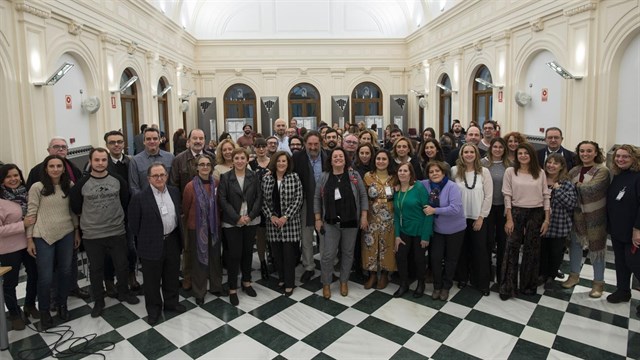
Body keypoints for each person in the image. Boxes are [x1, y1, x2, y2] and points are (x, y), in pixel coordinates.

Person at [69, 148, 140, 318]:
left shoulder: (118, 180)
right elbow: (76, 207)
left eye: (103, 160)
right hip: (93, 235)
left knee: (122, 265)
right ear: (90, 161)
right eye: (97, 160)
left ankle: (123, 292)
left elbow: (124, 201)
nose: (100, 163)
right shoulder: (81, 184)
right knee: (96, 269)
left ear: (107, 161)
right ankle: (99, 301)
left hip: (116, 231)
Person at [26, 155, 81, 330]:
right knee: (46, 277)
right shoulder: (37, 187)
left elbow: (72, 212)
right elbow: (31, 213)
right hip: (43, 235)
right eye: (52, 166)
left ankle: (62, 305)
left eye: (59, 166)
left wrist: (76, 231)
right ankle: (44, 311)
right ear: (46, 168)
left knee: (65, 271)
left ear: (64, 169)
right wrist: (29, 239)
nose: (56, 169)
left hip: (66, 232)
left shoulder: (69, 186)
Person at [128, 163, 184, 325]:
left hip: (172, 240)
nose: (159, 178)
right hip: (150, 243)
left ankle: (171, 303)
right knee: (152, 281)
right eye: (155, 176)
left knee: (172, 275)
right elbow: (134, 224)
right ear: (149, 179)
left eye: (162, 175)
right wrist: (148, 237)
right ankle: (154, 310)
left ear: (166, 176)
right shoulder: (139, 197)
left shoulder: (174, 191)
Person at [314, 147, 368, 299]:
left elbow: (363, 196)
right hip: (330, 223)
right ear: (330, 160)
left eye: (341, 156)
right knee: (328, 255)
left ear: (345, 159)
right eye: (335, 157)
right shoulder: (324, 176)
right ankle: (326, 283)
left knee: (348, 253)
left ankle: (344, 281)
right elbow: (317, 198)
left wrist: (364, 216)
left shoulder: (354, 175)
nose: (338, 158)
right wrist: (318, 219)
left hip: (350, 222)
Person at [500, 143, 550, 299]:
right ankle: (508, 287)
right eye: (519, 153)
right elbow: (507, 195)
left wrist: (547, 219)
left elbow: (546, 196)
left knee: (532, 250)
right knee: (511, 249)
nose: (522, 155)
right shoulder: (510, 171)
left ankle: (528, 286)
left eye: (525, 153)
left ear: (531, 155)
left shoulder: (540, 173)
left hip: (536, 212)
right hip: (516, 211)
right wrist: (509, 218)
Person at [562, 141, 609, 298]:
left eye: (589, 151)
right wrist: (575, 186)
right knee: (575, 245)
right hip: (576, 215)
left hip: (596, 217)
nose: (585, 154)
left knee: (597, 250)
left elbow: (593, 189)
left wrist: (575, 186)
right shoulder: (575, 170)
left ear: (596, 153)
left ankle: (598, 283)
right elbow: (566, 186)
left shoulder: (602, 171)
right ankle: (574, 276)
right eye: (582, 151)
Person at [218, 147, 262, 306]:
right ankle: (232, 288)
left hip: (250, 220)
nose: (239, 161)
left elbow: (259, 198)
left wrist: (250, 216)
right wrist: (237, 218)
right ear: (232, 160)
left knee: (248, 252)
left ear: (247, 159)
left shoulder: (254, 176)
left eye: (242, 158)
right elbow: (222, 200)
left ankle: (247, 282)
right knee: (234, 254)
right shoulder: (225, 177)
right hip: (232, 222)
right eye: (236, 158)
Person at [182, 155, 226, 305]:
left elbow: (220, 204)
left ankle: (216, 286)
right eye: (202, 164)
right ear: (196, 167)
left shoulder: (217, 183)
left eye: (208, 164)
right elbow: (186, 208)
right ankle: (199, 291)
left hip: (214, 228)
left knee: (215, 258)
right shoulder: (190, 186)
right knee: (199, 260)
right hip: (196, 228)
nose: (205, 167)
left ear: (212, 167)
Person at [0, 164, 38, 330]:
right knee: (11, 282)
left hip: (29, 243)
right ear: (2, 180)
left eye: (16, 175)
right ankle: (14, 313)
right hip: (9, 248)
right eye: (9, 177)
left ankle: (29, 305)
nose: (14, 179)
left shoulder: (27, 194)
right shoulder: (1, 201)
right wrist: (22, 224)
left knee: (35, 275)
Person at [451, 143, 492, 295]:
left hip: (478, 217)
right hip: (459, 218)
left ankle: (481, 282)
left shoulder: (484, 172)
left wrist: (481, 217)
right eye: (465, 152)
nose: (468, 154)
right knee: (461, 249)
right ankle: (462, 277)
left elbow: (488, 196)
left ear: (476, 154)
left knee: (480, 250)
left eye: (471, 152)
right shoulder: (454, 171)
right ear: (461, 155)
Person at [422, 161, 466, 301]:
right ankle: (437, 286)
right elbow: (411, 183)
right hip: (438, 229)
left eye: (437, 171)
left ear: (443, 172)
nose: (434, 173)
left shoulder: (452, 186)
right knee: (435, 258)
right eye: (431, 171)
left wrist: (434, 210)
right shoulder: (425, 184)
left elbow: (455, 208)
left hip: (455, 229)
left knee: (451, 259)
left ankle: (446, 287)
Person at [103, 130, 140, 295]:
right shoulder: (102, 163)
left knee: (130, 248)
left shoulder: (130, 162)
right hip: (108, 214)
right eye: (112, 142)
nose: (116, 145)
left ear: (124, 143)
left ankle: (130, 275)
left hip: (128, 211)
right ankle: (109, 280)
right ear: (107, 145)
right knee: (109, 249)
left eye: (119, 141)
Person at [261, 151, 303, 297]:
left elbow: (298, 199)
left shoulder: (294, 177)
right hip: (273, 224)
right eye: (278, 161)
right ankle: (281, 278)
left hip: (290, 224)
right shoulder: (267, 179)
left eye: (284, 161)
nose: (281, 164)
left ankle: (289, 283)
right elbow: (263, 201)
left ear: (288, 163)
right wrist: (271, 215)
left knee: (289, 255)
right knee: (277, 255)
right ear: (274, 162)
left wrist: (286, 216)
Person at [170, 129, 208, 291]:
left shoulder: (210, 158)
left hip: (208, 213)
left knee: (206, 244)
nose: (198, 141)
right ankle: (187, 276)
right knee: (188, 246)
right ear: (189, 141)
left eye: (201, 138)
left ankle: (204, 275)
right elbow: (173, 186)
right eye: (195, 138)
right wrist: (181, 211)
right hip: (188, 212)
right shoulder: (179, 160)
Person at [392, 162, 433, 298]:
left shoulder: (419, 187)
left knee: (419, 258)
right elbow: (397, 215)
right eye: (400, 170)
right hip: (404, 230)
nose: (402, 173)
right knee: (400, 256)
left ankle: (421, 284)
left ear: (411, 173)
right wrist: (397, 235)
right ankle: (404, 284)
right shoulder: (396, 190)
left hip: (419, 230)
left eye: (405, 171)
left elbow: (428, 212)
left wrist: (425, 236)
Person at [606, 145, 640, 305]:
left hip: (633, 231)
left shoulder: (638, 177)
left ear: (634, 158)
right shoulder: (619, 175)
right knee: (620, 262)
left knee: (634, 263)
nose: (620, 159)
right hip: (617, 228)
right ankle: (623, 291)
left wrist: (637, 229)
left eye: (625, 156)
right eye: (618, 156)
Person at [293, 131, 326, 283]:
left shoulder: (328, 156)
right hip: (305, 201)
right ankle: (308, 266)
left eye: (316, 144)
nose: (313, 147)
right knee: (306, 236)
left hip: (326, 202)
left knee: (325, 234)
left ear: (321, 143)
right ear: (305, 144)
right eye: (310, 144)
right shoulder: (297, 158)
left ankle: (327, 265)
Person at [540, 153, 577, 289]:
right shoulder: (540, 179)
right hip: (541, 223)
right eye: (549, 162)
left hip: (558, 225)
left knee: (555, 252)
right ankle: (542, 274)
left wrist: (558, 190)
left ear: (561, 166)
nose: (551, 165)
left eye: (555, 163)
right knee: (542, 251)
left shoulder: (566, 183)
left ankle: (551, 276)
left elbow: (572, 203)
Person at [362, 149, 397, 290]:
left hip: (390, 216)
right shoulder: (367, 176)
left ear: (389, 161)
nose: (381, 162)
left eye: (384, 159)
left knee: (387, 245)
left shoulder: (394, 177)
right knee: (370, 245)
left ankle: (384, 275)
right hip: (371, 215)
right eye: (378, 159)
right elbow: (363, 196)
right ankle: (371, 275)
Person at [480, 137, 510, 283]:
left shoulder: (509, 165)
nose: (497, 149)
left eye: (501, 147)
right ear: (490, 148)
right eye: (495, 147)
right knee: (487, 241)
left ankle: (501, 274)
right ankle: (486, 274)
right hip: (487, 208)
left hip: (503, 208)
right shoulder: (482, 164)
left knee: (503, 242)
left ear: (504, 149)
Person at [249, 138, 272, 279]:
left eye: (263, 146)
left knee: (274, 233)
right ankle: (262, 261)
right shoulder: (250, 164)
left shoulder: (273, 163)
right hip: (257, 204)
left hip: (272, 204)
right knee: (261, 235)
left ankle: (273, 257)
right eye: (258, 147)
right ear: (254, 148)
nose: (261, 149)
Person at [129, 127, 175, 195]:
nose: (152, 141)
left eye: (155, 139)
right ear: (144, 142)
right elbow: (134, 187)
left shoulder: (170, 158)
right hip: (145, 202)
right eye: (148, 139)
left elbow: (174, 182)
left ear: (159, 141)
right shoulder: (135, 161)